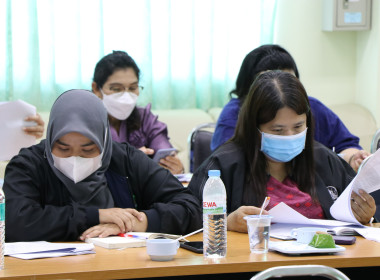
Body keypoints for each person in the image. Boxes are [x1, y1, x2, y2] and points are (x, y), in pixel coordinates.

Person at [3, 89, 202, 242]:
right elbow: (14, 221)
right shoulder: (28, 165)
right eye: (63, 149)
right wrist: (96, 216)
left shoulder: (125, 159)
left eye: (88, 150)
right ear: (51, 138)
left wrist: (133, 223)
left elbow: (192, 208)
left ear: (104, 141)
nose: (75, 158)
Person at [189, 71, 375, 233]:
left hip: (325, 264)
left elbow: (354, 211)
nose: (289, 136)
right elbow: (186, 217)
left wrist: (362, 215)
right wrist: (225, 222)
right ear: (254, 127)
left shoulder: (323, 158)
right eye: (278, 130)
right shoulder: (224, 164)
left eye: (298, 127)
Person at [211, 44, 370, 172]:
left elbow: (344, 145)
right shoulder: (234, 114)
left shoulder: (313, 107)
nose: (280, 86)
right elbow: (228, 162)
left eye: (288, 80)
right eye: (278, 130)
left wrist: (353, 158)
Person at [91, 51, 184, 175]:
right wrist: (130, 159)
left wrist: (173, 165)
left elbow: (163, 147)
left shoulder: (144, 118)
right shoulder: (85, 121)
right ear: (96, 89)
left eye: (133, 88)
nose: (126, 95)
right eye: (117, 89)